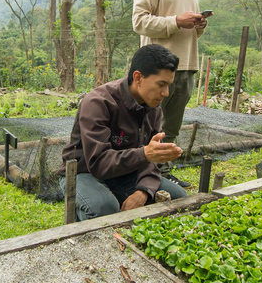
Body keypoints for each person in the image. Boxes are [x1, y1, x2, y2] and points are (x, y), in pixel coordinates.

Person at [58, 44, 187, 221]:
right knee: (104, 209)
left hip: (126, 171)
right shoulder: (99, 102)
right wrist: (145, 154)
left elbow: (152, 160)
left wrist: (144, 190)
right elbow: (98, 162)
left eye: (169, 85)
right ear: (138, 77)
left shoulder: (154, 107)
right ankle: (80, 229)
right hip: (84, 171)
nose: (165, 93)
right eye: (161, 84)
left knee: (178, 196)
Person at [132, 0, 210, 188]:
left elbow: (188, 30)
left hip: (187, 65)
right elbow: (139, 22)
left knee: (171, 126)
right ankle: (137, 172)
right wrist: (176, 21)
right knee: (147, 123)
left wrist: (197, 26)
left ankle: (161, 173)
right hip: (157, 68)